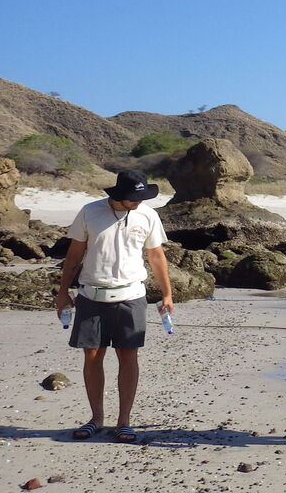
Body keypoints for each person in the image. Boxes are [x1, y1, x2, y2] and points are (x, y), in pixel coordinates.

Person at [55, 170, 172, 444]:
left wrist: (167, 294)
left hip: (131, 296)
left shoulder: (148, 215)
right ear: (118, 195)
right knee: (92, 356)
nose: (139, 202)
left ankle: (124, 422)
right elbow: (74, 254)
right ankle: (96, 419)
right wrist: (62, 292)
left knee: (128, 356)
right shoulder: (89, 212)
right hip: (91, 295)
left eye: (142, 197)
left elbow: (156, 256)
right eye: (134, 198)